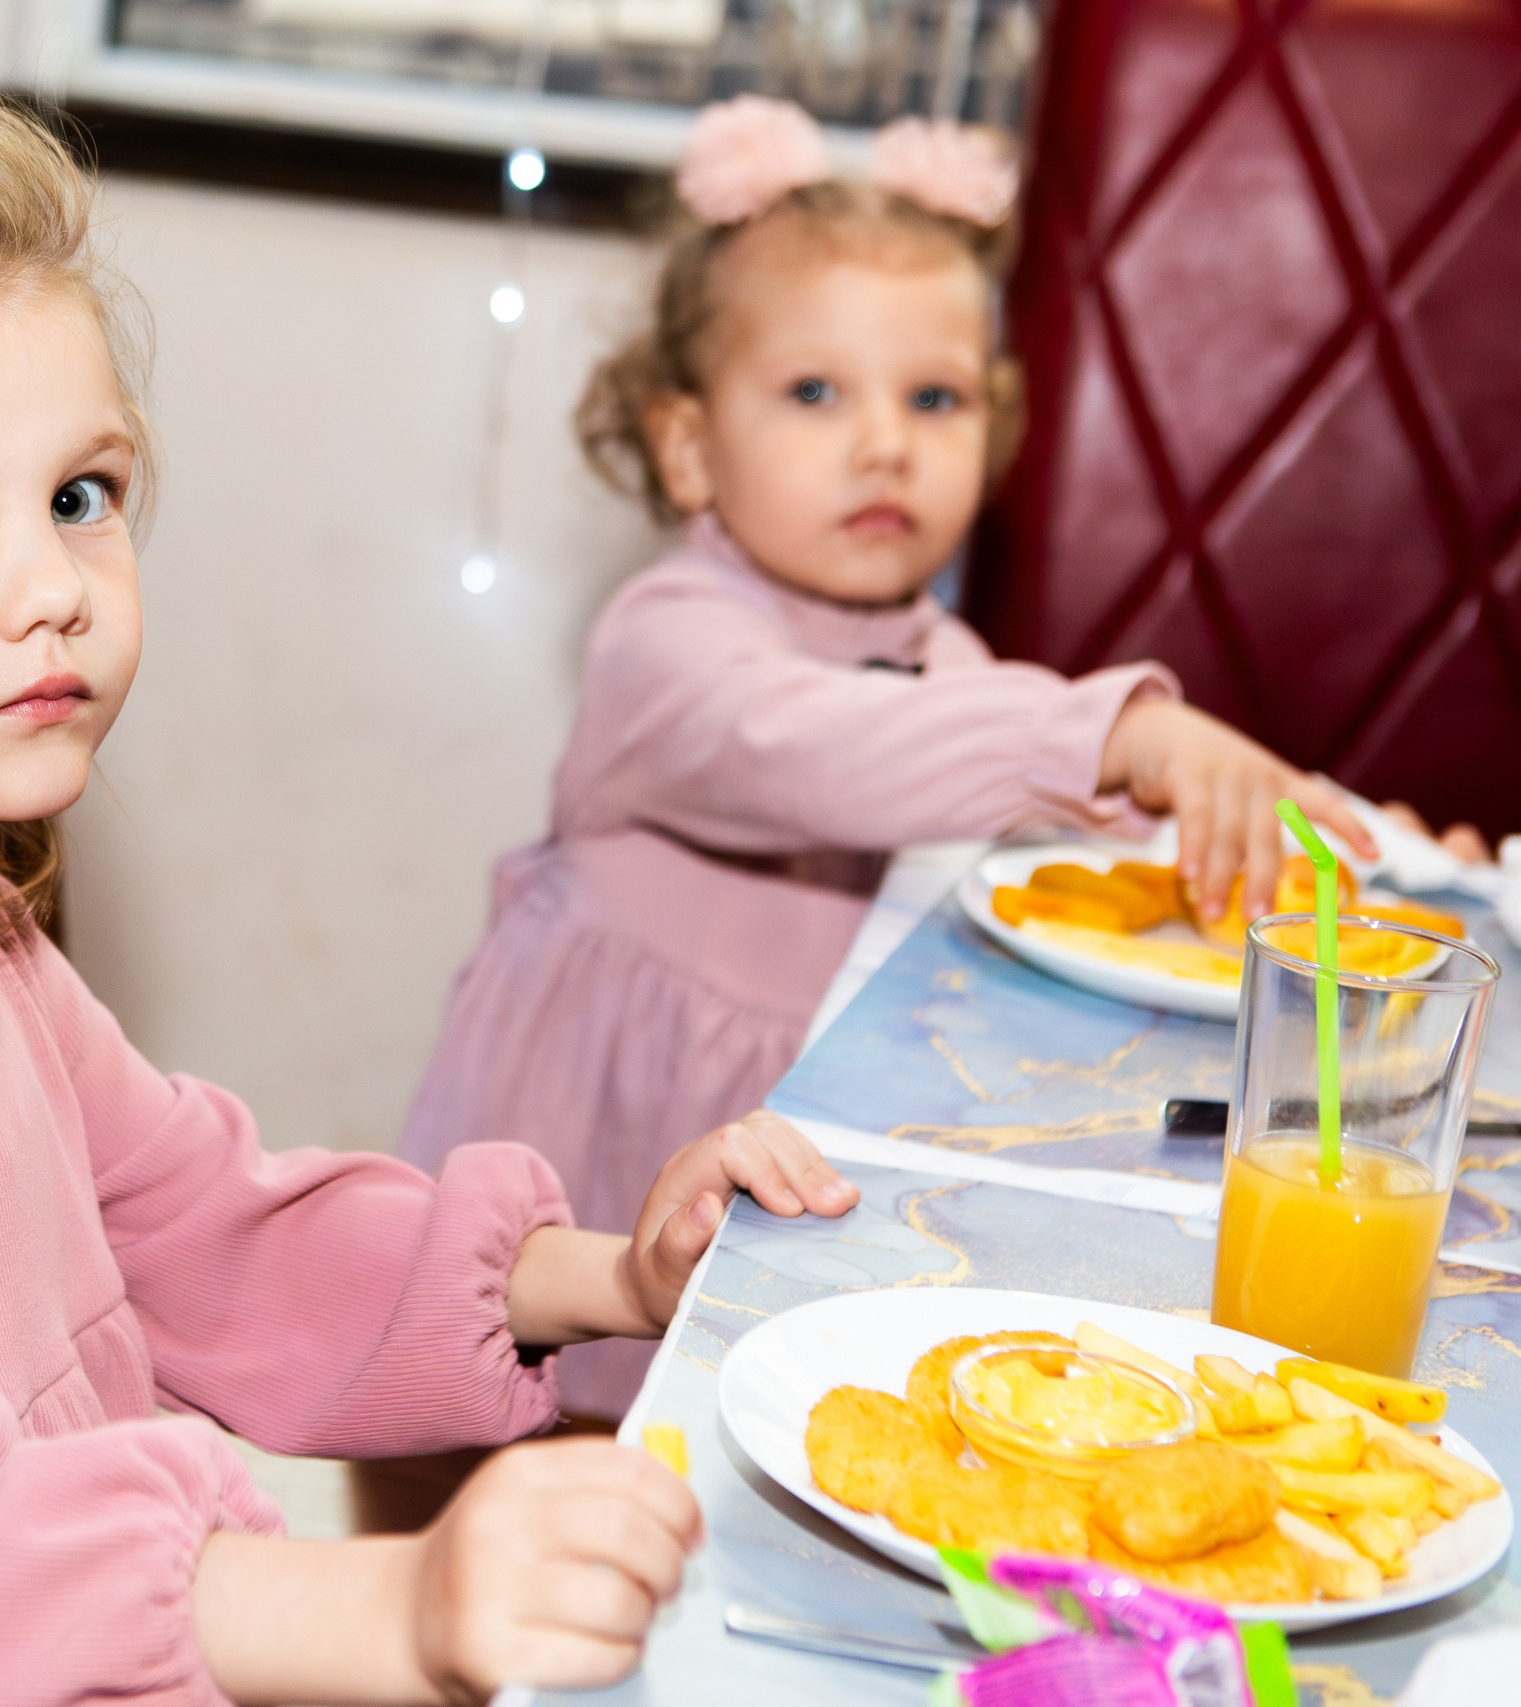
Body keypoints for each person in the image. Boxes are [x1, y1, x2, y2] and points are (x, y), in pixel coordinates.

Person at [0, 97, 858, 1707]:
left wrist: (613, 1278)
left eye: (81, 494)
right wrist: (395, 1613)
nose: (51, 586)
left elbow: (203, 1224)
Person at [398, 96, 1376, 1420]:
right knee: (523, 1440)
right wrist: (1121, 731)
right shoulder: (664, 643)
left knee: (708, 1453)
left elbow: (1066, 851)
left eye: (936, 397)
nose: (885, 442)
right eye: (815, 392)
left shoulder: (948, 659)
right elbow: (825, 752)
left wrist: (1331, 826)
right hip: (609, 1120)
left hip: (791, 1126)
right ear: (687, 440)